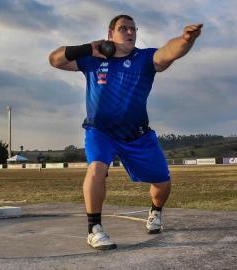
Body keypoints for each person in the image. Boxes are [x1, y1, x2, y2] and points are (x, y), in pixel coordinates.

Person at [48, 14, 202, 250]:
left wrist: (186, 39)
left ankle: (155, 212)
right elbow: (55, 59)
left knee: (162, 183)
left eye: (133, 29)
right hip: (100, 131)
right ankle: (94, 229)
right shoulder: (92, 59)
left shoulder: (144, 58)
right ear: (110, 34)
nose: (130, 32)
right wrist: (87, 48)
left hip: (137, 135)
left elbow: (168, 52)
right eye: (123, 28)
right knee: (96, 168)